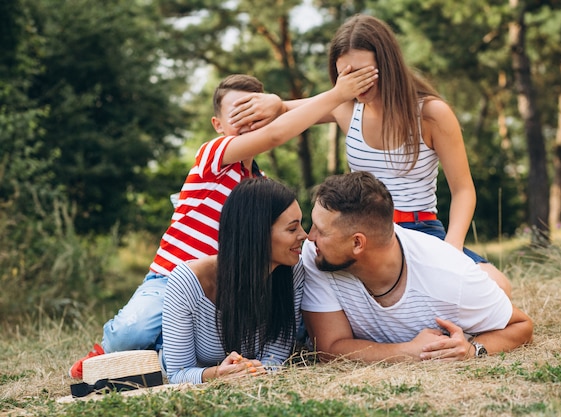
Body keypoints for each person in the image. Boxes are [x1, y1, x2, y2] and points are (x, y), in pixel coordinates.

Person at [69, 67, 378, 379]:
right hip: (173, 277)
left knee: (285, 320)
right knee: (132, 331)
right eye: (238, 113)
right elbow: (275, 135)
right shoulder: (214, 157)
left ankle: (183, 352)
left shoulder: (261, 185)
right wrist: (338, 95)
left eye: (255, 113)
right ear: (218, 125)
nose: (248, 122)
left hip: (232, 283)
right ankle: (107, 352)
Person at [228, 14, 512, 297]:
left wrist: (452, 250)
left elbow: (463, 190)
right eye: (346, 75)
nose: (356, 84)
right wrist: (275, 103)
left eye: (364, 73)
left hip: (420, 229)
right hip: (355, 233)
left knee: (498, 288)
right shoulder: (345, 107)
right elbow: (290, 111)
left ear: (388, 65)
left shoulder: (431, 114)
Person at [301, 171, 532, 363]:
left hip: (456, 277)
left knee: (499, 285)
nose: (308, 236)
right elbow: (329, 349)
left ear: (357, 243)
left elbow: (522, 326)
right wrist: (408, 351)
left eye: (320, 230)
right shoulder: (317, 254)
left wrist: (473, 351)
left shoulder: (451, 275)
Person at [162, 178, 307, 383]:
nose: (305, 235)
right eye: (292, 229)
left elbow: (274, 360)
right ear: (256, 233)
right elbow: (177, 374)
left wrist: (253, 371)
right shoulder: (188, 281)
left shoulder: (293, 271)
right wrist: (218, 374)